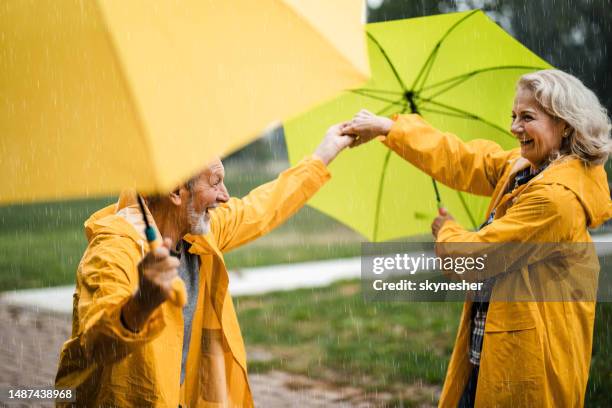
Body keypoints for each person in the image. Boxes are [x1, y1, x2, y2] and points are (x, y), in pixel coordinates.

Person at [342, 69, 612, 407]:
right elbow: (462, 159)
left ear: (565, 125)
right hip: (492, 349)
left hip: (526, 365)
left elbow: (473, 259)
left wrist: (447, 231)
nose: (515, 128)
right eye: (514, 116)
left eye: (527, 117)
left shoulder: (557, 198)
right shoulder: (528, 168)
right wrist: (391, 128)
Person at [55, 124, 353, 407]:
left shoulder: (198, 235)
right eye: (215, 183)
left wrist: (323, 155)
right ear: (175, 192)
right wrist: (141, 302)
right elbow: (97, 345)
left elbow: (261, 208)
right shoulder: (112, 252)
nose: (225, 196)